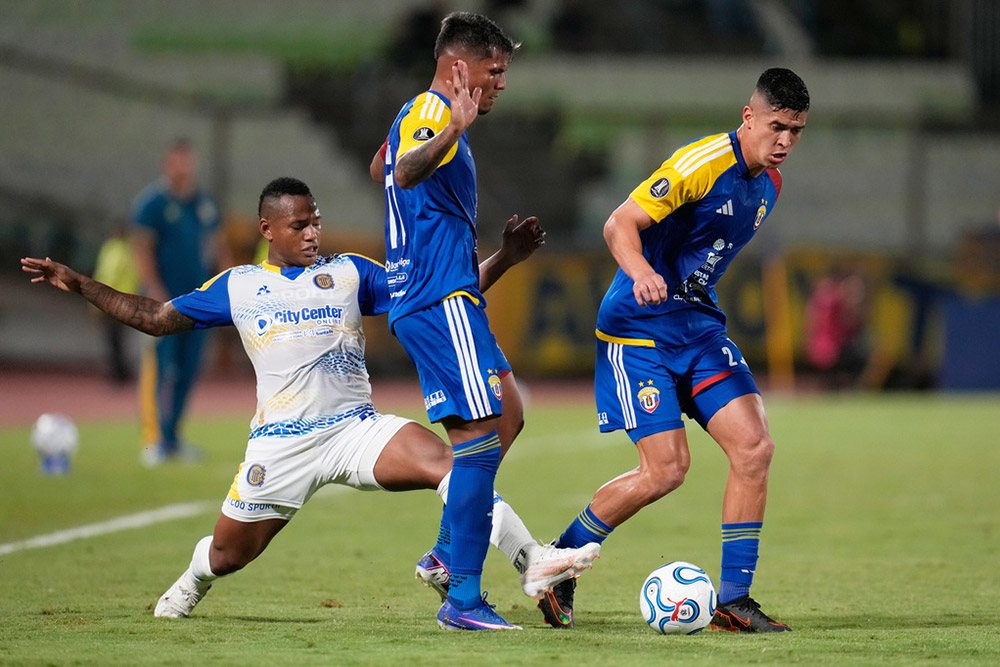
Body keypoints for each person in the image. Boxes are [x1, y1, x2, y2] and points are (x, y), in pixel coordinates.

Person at [21, 177, 598, 629]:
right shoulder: (239, 285)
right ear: (267, 228)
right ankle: (195, 578)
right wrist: (79, 283)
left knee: (455, 465)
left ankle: (533, 563)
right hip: (282, 444)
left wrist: (503, 260)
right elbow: (153, 318)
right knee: (228, 554)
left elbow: (438, 296)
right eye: (299, 225)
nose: (312, 233)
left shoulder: (349, 273)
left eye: (316, 222)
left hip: (357, 429)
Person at [538, 68, 810, 632]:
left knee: (755, 449)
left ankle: (733, 602)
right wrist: (639, 270)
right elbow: (620, 223)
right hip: (638, 332)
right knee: (666, 471)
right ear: (749, 117)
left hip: (699, 330)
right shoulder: (701, 163)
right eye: (777, 126)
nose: (784, 141)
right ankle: (557, 563)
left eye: (796, 131)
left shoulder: (771, 184)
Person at [374, 12, 559, 631]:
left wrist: (506, 257)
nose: (502, 82)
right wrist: (450, 126)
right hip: (439, 301)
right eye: (494, 70)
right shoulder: (434, 115)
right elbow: (402, 171)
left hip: (444, 295)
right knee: (476, 446)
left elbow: (383, 169)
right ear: (460, 69)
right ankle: (463, 598)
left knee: (508, 411)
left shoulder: (415, 114)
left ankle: (449, 553)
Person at [131, 138, 228, 465]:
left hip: (198, 303)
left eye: (188, 160)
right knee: (162, 368)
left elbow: (218, 246)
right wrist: (155, 289)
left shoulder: (204, 203)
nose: (184, 167)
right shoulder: (152, 204)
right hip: (163, 303)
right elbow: (142, 249)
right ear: (166, 163)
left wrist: (230, 285)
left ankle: (173, 438)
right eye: (177, 161)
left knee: (188, 370)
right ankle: (154, 439)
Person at [92, 219, 141, 384]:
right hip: (116, 300)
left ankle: (119, 373)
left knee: (116, 339)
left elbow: (109, 276)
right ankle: (120, 372)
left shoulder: (119, 251)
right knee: (116, 340)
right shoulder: (117, 249)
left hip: (116, 301)